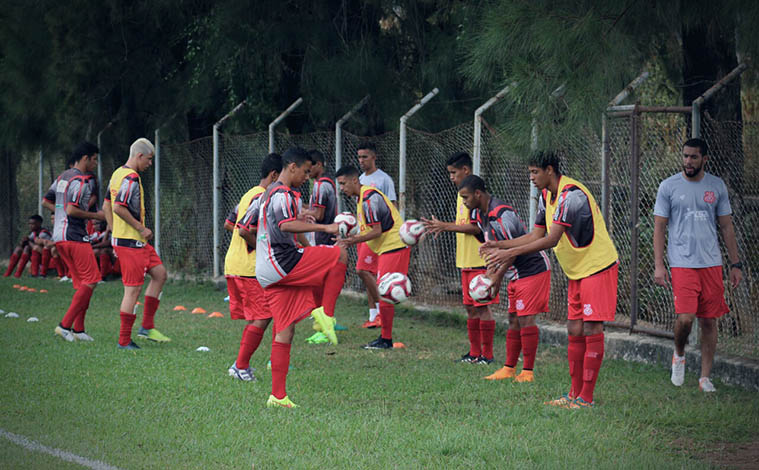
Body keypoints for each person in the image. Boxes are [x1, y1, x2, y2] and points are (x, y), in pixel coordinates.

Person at [482, 151, 619, 408]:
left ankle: (585, 398)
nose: (531, 177)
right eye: (530, 172)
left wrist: (509, 253)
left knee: (591, 328)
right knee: (574, 329)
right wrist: (499, 245)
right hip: (577, 270)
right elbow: (536, 235)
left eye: (535, 172)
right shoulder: (547, 195)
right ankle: (573, 395)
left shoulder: (571, 196)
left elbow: (551, 240)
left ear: (550, 170)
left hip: (597, 267)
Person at [256, 147, 347, 408]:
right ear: (291, 167)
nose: (307, 176)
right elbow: (286, 226)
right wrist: (324, 227)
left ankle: (278, 396)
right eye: (305, 171)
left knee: (285, 330)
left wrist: (308, 242)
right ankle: (325, 314)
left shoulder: (270, 193)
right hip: (282, 263)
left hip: (267, 270)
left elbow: (274, 224)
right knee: (339, 254)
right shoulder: (283, 192)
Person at [653, 138, 742, 393]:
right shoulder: (668, 186)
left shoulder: (717, 186)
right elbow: (659, 227)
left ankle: (704, 378)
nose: (688, 161)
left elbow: (726, 226)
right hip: (682, 263)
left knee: (709, 321)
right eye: (685, 156)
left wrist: (735, 264)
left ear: (705, 159)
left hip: (712, 263)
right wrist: (659, 265)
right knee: (686, 318)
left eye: (693, 157)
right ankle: (679, 354)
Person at [459, 175, 551, 381]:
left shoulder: (501, 215)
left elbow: (515, 250)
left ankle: (527, 371)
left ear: (478, 194)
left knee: (526, 319)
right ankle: (508, 368)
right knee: (513, 319)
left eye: (466, 197)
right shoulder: (480, 214)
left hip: (532, 268)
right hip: (516, 272)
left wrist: (497, 277)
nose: (464, 202)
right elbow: (498, 249)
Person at [422, 152, 500, 365]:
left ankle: (488, 355)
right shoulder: (461, 196)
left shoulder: (476, 196)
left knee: (482, 307)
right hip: (465, 260)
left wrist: (445, 226)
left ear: (466, 170)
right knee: (470, 307)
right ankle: (474, 353)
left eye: (453, 172)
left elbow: (476, 227)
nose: (451, 177)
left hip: (480, 260)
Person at [103, 138, 170, 350]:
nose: (150, 164)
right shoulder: (131, 178)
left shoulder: (117, 174)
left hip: (135, 241)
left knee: (160, 274)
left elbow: (106, 204)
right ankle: (124, 341)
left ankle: (147, 326)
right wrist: (140, 228)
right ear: (139, 156)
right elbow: (119, 207)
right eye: (149, 160)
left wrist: (114, 231)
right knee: (132, 291)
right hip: (131, 242)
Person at [336, 165, 410, 350]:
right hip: (386, 247)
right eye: (340, 185)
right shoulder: (363, 198)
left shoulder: (369, 198)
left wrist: (353, 240)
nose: (342, 188)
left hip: (394, 246)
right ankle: (384, 336)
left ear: (355, 180)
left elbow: (376, 231)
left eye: (343, 183)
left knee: (385, 292)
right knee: (381, 290)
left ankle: (385, 340)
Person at [224, 153, 281, 381]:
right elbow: (243, 229)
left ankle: (241, 365)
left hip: (235, 263)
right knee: (264, 316)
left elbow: (229, 224)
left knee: (258, 317)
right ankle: (240, 366)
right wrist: (263, 242)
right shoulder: (264, 196)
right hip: (249, 268)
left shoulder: (249, 194)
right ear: (275, 175)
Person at [52, 142, 106, 342]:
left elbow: (47, 200)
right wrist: (97, 216)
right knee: (92, 280)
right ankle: (64, 325)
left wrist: (58, 215)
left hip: (59, 236)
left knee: (83, 284)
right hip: (74, 235)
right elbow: (72, 210)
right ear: (85, 158)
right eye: (94, 159)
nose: (95, 163)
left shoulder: (63, 177)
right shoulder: (81, 180)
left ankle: (79, 329)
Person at [356, 142, 397, 329]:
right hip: (364, 233)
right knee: (365, 272)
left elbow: (392, 205)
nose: (361, 161)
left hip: (378, 234)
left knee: (367, 272)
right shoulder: (359, 179)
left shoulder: (384, 179)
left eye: (365, 157)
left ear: (374, 157)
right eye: (359, 157)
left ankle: (380, 312)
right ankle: (373, 315)